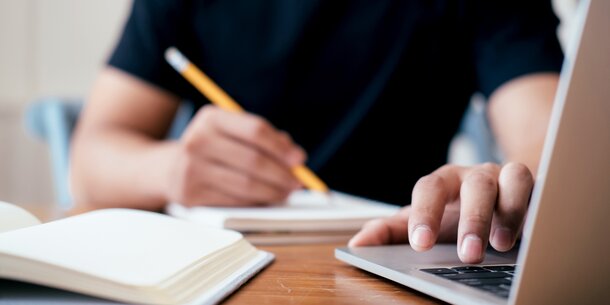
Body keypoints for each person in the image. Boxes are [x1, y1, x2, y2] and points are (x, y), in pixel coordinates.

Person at [70, 0, 563, 263]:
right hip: (220, 261)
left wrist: (502, 195)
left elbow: (554, 149)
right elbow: (91, 160)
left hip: (400, 257)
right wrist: (170, 167)